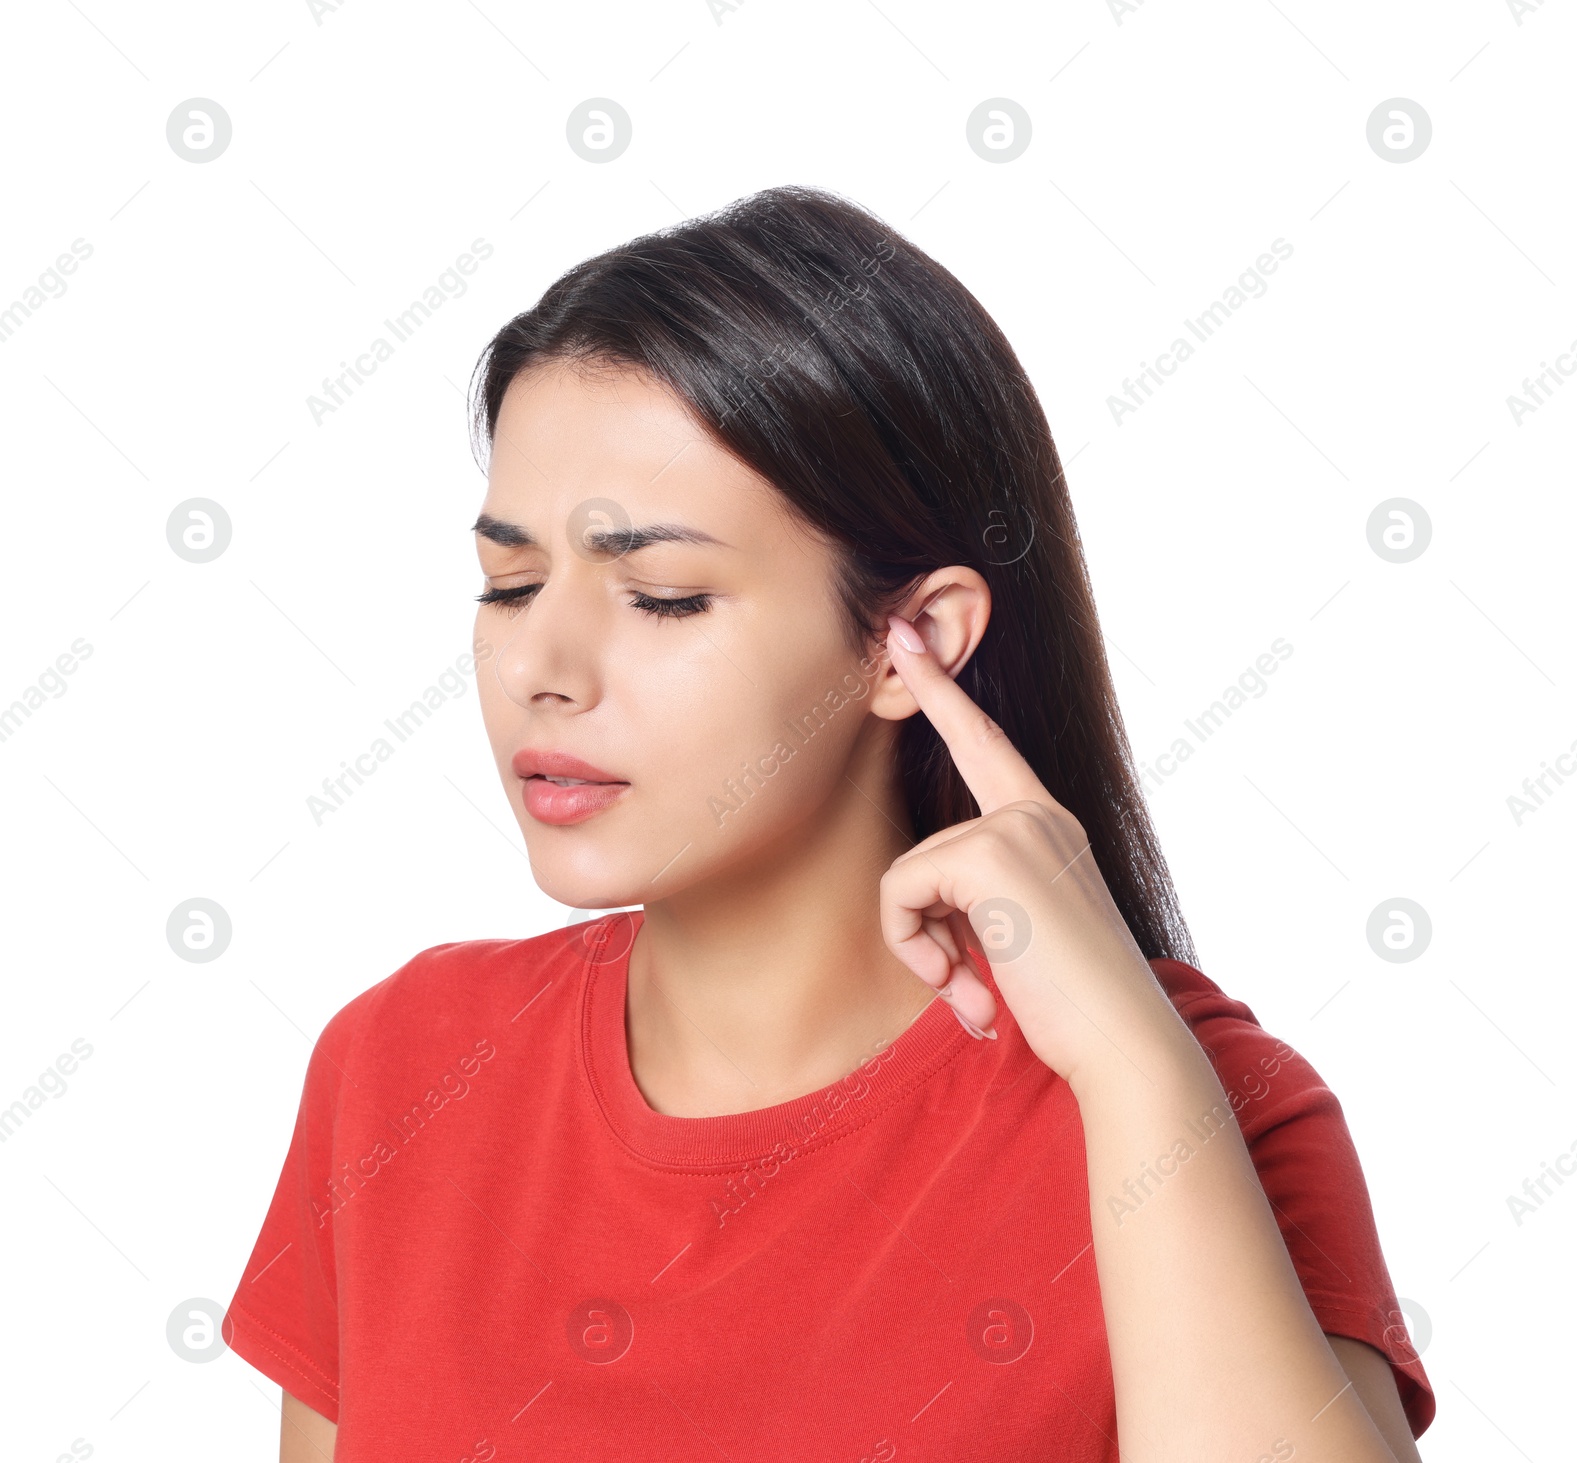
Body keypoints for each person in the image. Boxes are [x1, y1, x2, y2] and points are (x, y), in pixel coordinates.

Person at [223, 185, 1434, 1462]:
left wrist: (1128, 1059)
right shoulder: (403, 1071)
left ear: (908, 644)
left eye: (663, 594)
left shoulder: (1200, 1099)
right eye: (510, 582)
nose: (542, 663)